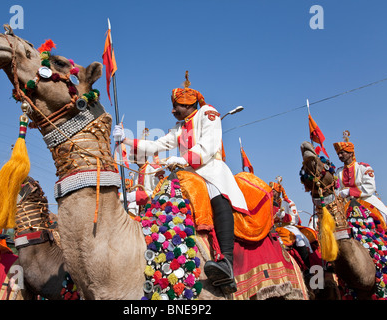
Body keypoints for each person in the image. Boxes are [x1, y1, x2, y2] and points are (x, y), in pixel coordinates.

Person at [113, 72, 249, 293]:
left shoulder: (208, 113)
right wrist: (126, 139)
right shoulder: (180, 127)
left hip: (210, 170)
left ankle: (227, 264)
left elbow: (209, 146)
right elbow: (156, 145)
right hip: (188, 171)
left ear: (188, 105)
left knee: (217, 194)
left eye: (176, 106)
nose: (173, 111)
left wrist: (182, 158)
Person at [333, 132, 387, 230]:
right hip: (346, 204)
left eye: (342, 152)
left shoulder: (363, 167)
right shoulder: (338, 171)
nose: (339, 156)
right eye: (338, 154)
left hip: (366, 200)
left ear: (350, 153)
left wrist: (349, 191)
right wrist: (339, 193)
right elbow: (336, 189)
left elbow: (370, 187)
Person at [270, 179, 313, 269]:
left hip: (288, 227)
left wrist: (284, 216)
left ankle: (308, 266)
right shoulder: (269, 204)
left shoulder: (288, 203)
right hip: (275, 228)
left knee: (299, 240)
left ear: (278, 192)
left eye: (273, 191)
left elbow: (295, 219)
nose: (271, 193)